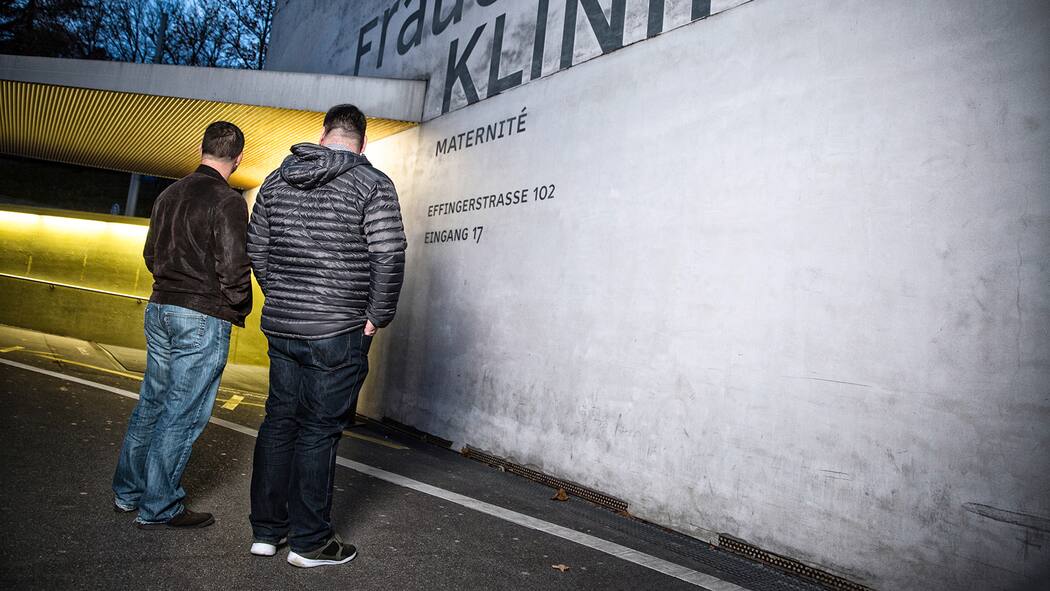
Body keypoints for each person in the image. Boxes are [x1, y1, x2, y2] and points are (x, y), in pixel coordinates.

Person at [246, 104, 406, 568]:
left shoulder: (276, 181)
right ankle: (310, 542)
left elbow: (257, 246)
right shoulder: (371, 184)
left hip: (284, 324)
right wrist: (377, 315)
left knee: (279, 422)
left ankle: (266, 532)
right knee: (318, 430)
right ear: (362, 142)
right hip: (338, 327)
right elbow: (389, 253)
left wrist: (281, 295)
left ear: (322, 135)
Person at [112, 121, 252, 529]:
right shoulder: (227, 202)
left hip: (160, 309)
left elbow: (151, 253)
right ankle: (159, 506)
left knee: (152, 403)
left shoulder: (168, 194)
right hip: (201, 315)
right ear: (238, 158)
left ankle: (128, 493)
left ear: (202, 148)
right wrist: (235, 305)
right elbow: (234, 267)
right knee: (183, 412)